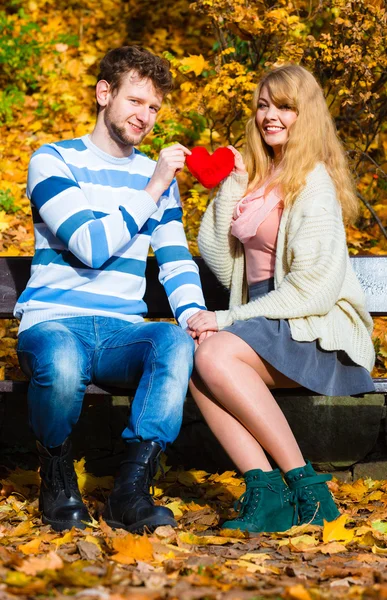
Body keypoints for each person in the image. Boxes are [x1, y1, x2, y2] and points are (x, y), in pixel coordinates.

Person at [15, 45, 206, 533]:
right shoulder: (52, 159)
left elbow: (174, 257)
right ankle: (57, 477)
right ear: (105, 93)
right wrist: (153, 186)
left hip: (123, 332)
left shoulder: (155, 177)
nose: (145, 116)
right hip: (54, 322)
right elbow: (90, 245)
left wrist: (194, 316)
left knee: (174, 342)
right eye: (136, 101)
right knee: (60, 362)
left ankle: (132, 489)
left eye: (154, 108)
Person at [187, 64, 375, 533]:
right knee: (193, 357)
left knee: (212, 349)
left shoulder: (313, 182)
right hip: (264, 322)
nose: (270, 115)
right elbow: (216, 252)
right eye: (263, 105)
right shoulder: (259, 175)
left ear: (305, 114)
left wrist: (229, 317)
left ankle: (307, 487)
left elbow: (313, 288)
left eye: (285, 107)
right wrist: (233, 177)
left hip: (311, 327)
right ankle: (266, 492)